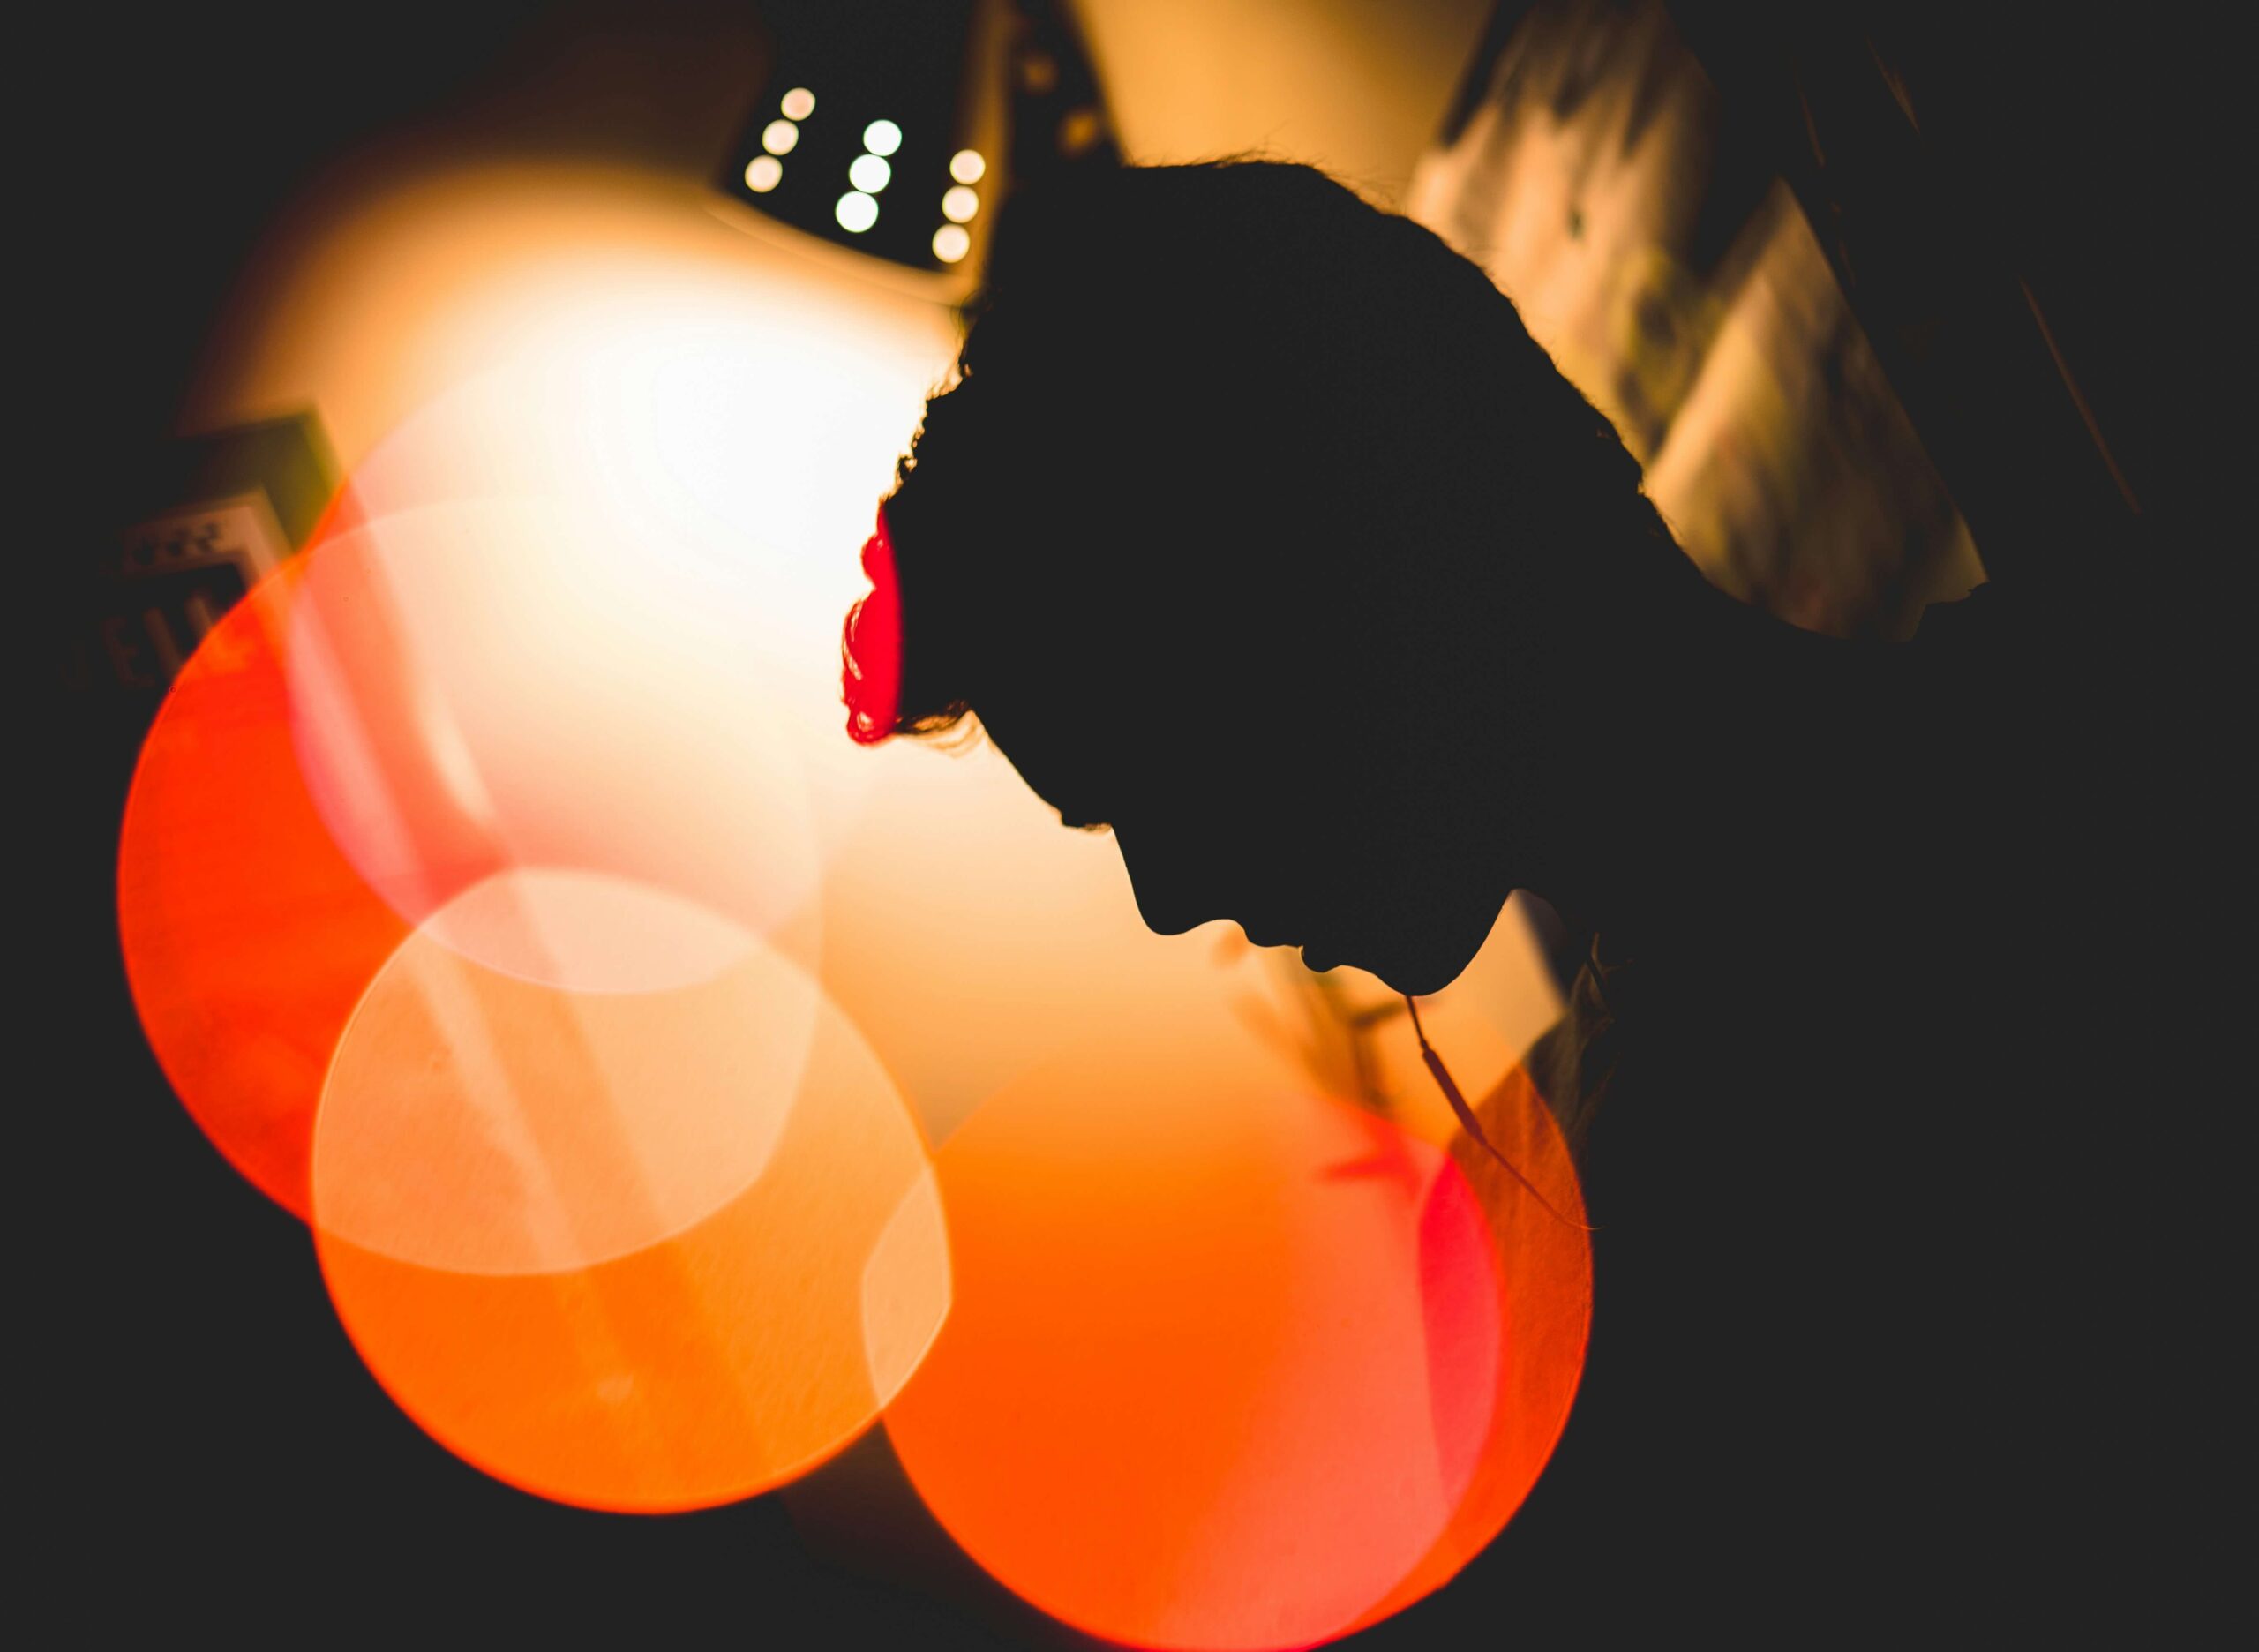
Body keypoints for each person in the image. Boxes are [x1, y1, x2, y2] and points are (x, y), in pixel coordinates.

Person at [840, 159, 2222, 1636]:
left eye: (1162, 763)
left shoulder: (2130, 782)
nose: (1171, 898)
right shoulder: (1557, 1217)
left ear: (1362, 583)